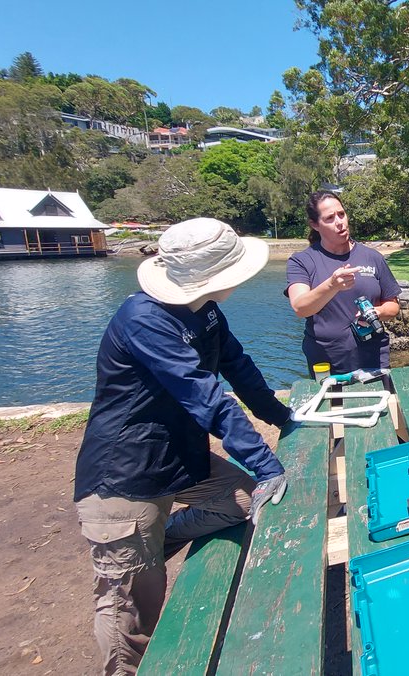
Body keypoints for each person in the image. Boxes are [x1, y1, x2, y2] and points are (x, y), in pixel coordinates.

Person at [74, 218, 293, 674]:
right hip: (126, 476)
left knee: (241, 502)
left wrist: (282, 416)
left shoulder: (206, 309)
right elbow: (206, 397)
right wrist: (267, 464)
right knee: (132, 611)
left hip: (181, 457)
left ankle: (154, 542)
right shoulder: (145, 320)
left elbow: (237, 366)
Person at [285, 190, 402, 375]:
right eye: (330, 218)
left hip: (374, 361)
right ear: (315, 224)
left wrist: (378, 312)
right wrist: (332, 285)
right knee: (332, 405)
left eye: (341, 214)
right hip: (327, 364)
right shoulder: (302, 261)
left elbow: (393, 306)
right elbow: (300, 308)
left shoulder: (372, 257)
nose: (339, 222)